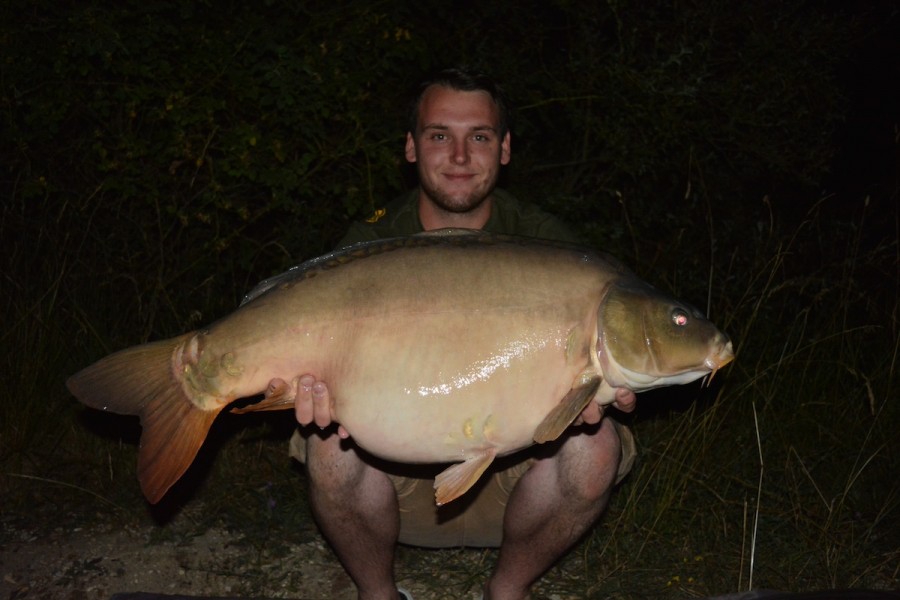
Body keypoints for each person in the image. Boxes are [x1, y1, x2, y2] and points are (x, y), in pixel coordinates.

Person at [289, 67, 637, 600]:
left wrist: (601, 392)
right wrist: (309, 390)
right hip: (395, 487)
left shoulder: (548, 244)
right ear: (411, 148)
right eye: (438, 136)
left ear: (504, 150)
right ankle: (376, 593)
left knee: (597, 444)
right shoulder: (373, 241)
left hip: (518, 484)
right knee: (327, 449)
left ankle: (508, 589)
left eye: (478, 136)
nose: (458, 156)